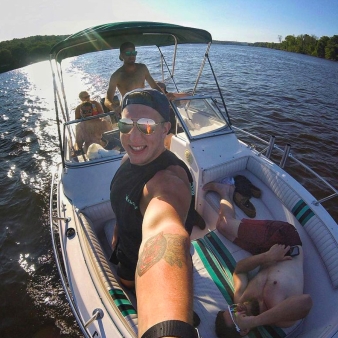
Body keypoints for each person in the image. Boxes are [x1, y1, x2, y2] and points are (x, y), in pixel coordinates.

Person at [109, 88, 199, 337]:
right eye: (126, 124)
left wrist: (167, 331)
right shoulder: (131, 158)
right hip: (125, 247)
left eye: (146, 125)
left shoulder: (167, 183)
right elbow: (124, 203)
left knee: (128, 283)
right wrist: (119, 227)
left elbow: (165, 231)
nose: (133, 136)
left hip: (138, 260)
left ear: (165, 129)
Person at [202, 181, 312, 337]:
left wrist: (266, 257)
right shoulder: (279, 316)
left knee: (223, 227)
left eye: (231, 310)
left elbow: (239, 270)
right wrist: (255, 321)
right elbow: (306, 302)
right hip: (287, 241)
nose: (237, 309)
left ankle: (227, 192)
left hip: (267, 252)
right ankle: (227, 192)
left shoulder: (241, 299)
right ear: (244, 330)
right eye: (237, 317)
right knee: (226, 225)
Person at [104, 42, 168, 113]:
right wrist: (114, 107)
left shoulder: (142, 68)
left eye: (134, 53)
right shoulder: (116, 76)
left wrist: (164, 98)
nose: (131, 56)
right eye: (128, 53)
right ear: (121, 56)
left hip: (143, 105)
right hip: (128, 109)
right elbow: (107, 99)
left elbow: (155, 87)